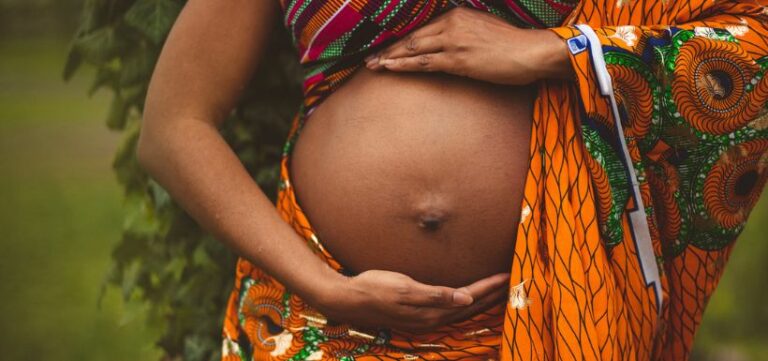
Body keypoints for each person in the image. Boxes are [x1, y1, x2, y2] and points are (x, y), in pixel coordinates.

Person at [136, 0, 768, 359]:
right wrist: (324, 287)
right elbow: (173, 128)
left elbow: (752, 40)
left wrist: (552, 52)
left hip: (551, 312)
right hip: (324, 323)